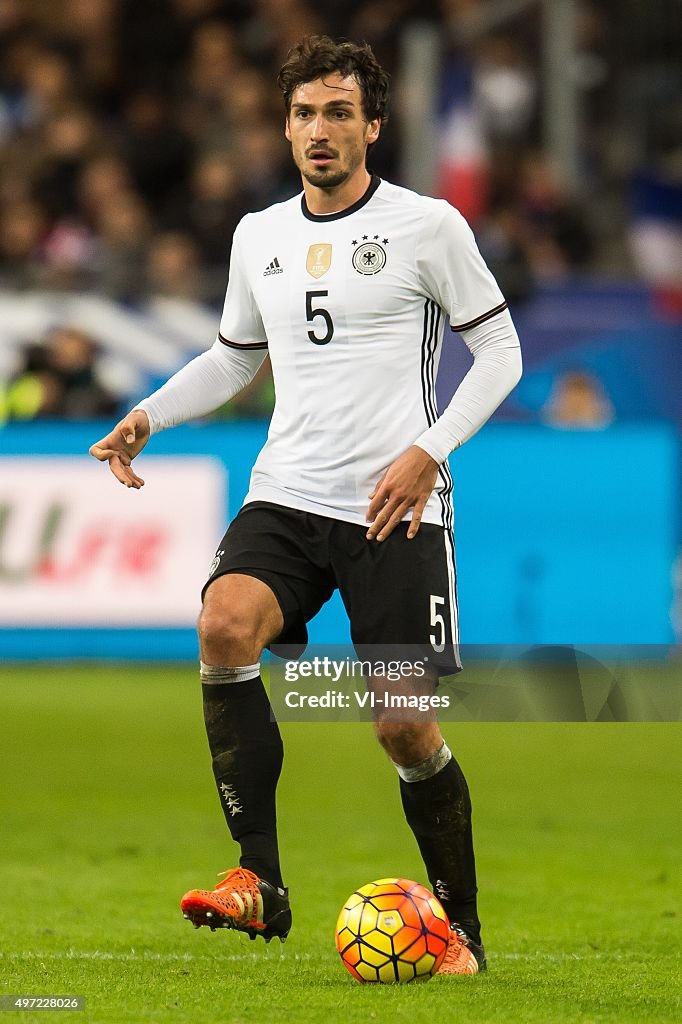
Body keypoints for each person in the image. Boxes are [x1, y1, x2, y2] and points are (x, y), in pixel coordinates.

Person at [89, 35, 522, 976]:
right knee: (222, 625)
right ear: (284, 128)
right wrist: (148, 415)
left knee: (402, 726)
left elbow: (502, 355)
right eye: (301, 114)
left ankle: (466, 936)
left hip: (394, 506)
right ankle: (260, 881)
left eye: (336, 112)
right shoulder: (259, 235)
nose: (318, 131)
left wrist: (429, 450)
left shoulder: (429, 227)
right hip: (286, 492)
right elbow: (238, 357)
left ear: (373, 124)